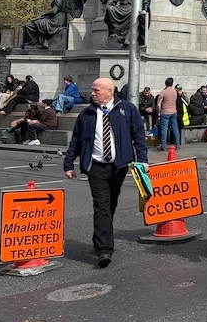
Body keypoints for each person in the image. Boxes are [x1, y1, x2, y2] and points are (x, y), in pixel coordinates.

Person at [63, 77, 147, 268]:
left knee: (110, 205)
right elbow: (76, 141)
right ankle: (104, 250)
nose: (92, 93)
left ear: (110, 91)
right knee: (101, 205)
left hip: (118, 166)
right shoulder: (86, 114)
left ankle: (99, 237)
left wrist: (142, 160)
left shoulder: (127, 109)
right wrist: (69, 164)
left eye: (96, 90)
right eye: (92, 90)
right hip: (96, 167)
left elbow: (138, 135)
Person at [155, 78, 180, 151]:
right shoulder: (175, 91)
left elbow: (158, 104)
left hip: (165, 112)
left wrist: (159, 112)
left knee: (164, 129)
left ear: (165, 83)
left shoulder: (163, 92)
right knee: (175, 128)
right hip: (174, 112)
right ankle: (177, 144)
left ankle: (163, 145)